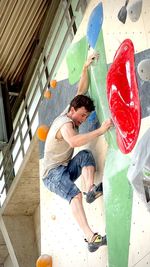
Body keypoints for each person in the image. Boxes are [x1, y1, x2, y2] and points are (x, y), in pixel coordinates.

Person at [42, 53, 113, 252]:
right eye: (82, 116)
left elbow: (81, 88)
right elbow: (73, 140)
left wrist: (85, 67)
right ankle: (91, 238)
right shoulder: (65, 124)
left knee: (85, 157)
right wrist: (100, 130)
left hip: (64, 167)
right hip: (52, 176)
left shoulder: (71, 108)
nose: (82, 119)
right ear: (73, 110)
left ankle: (90, 189)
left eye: (86, 116)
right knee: (74, 195)